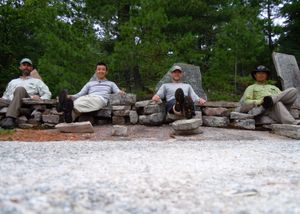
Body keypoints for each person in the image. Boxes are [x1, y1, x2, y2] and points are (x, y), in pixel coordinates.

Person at [58, 62, 125, 122]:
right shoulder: (90, 83)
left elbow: (118, 91)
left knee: (82, 103)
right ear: (96, 71)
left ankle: (64, 106)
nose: (101, 71)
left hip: (100, 99)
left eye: (103, 69)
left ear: (106, 72)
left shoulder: (111, 83)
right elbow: (79, 94)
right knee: (80, 100)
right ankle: (69, 118)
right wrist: (69, 96)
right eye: (99, 69)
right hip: (88, 98)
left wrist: (121, 92)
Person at [0, 58, 52, 129]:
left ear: (31, 68)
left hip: (26, 103)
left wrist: (40, 98)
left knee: (20, 89)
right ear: (20, 67)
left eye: (28, 65)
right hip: (10, 102)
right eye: (24, 65)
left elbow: (48, 94)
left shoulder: (37, 81)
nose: (26, 67)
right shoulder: (13, 82)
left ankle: (10, 119)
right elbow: (5, 97)